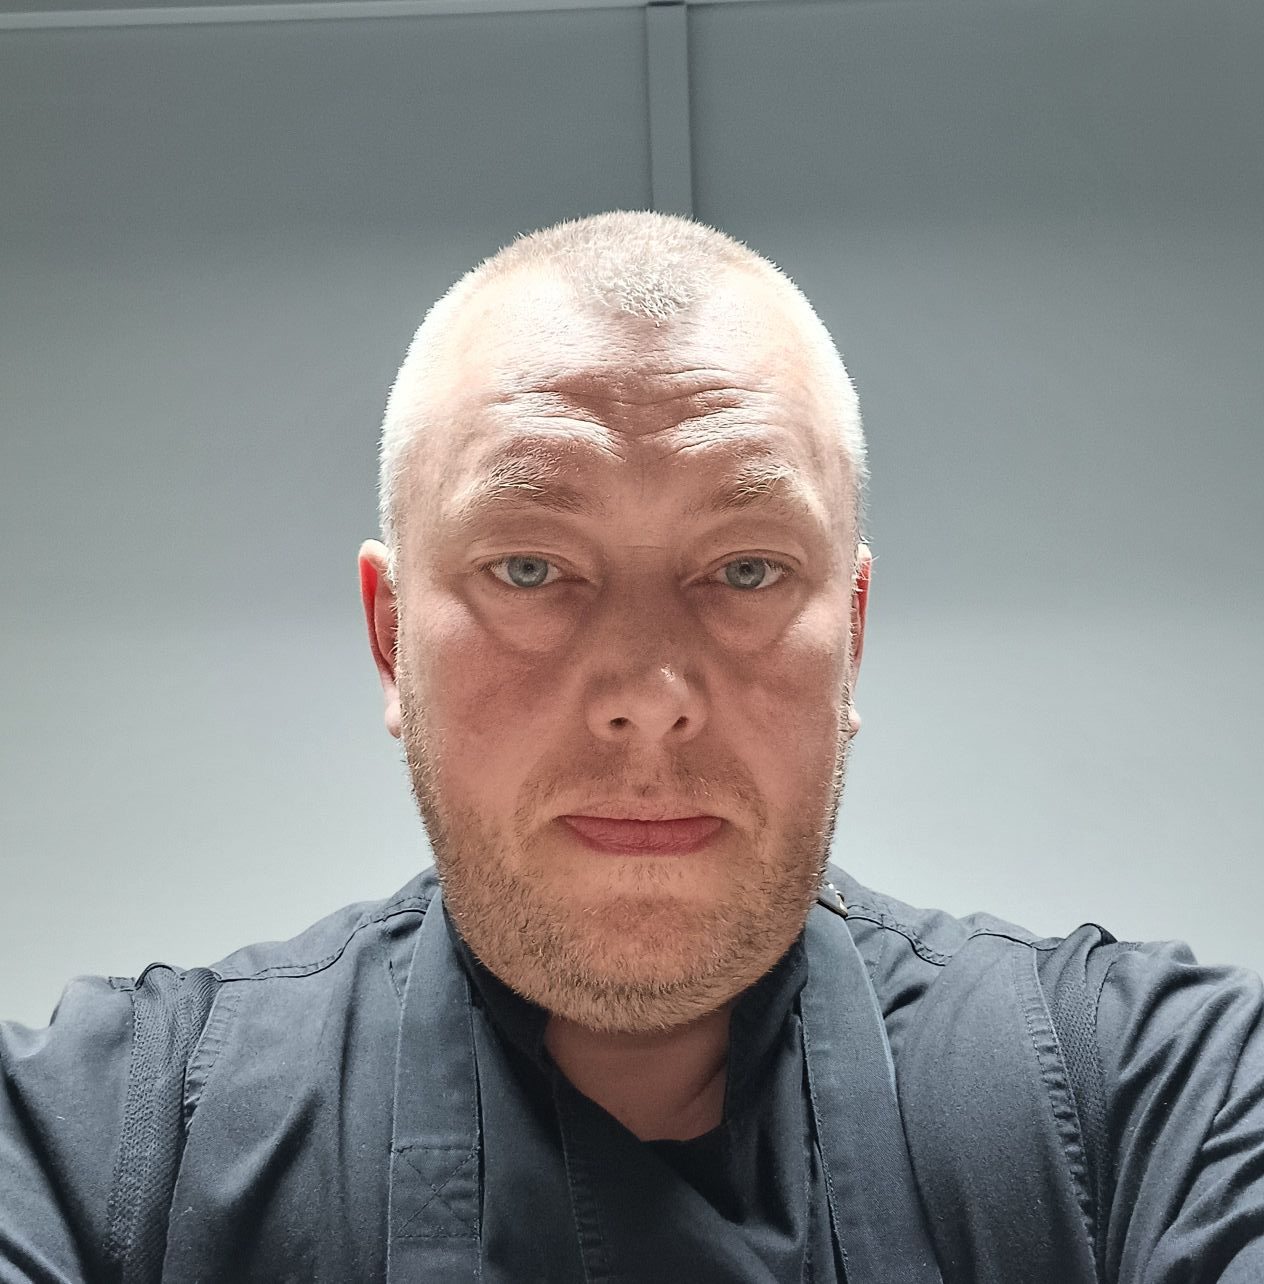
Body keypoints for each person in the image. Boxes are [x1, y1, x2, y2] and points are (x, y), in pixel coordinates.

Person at [2, 210, 1261, 1284]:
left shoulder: (1158, 1100)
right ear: (391, 638)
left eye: (747, 569)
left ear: (851, 636)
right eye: (529, 568)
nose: (649, 698)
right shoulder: (98, 1135)